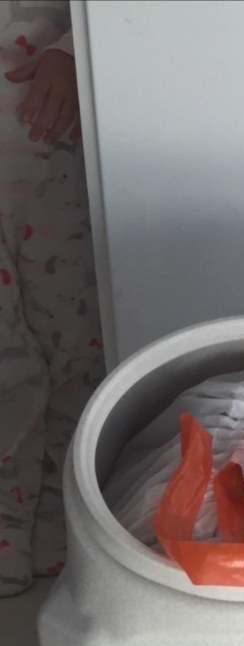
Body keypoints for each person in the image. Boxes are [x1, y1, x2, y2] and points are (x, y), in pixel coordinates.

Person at [0, 0, 104, 596]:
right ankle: (10, 522)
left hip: (53, 136)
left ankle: (61, 523)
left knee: (73, 339)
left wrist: (71, 51)